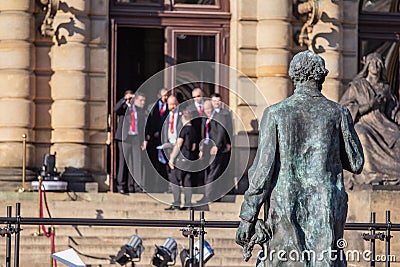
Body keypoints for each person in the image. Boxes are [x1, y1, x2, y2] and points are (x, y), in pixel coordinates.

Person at [236, 50, 364, 266]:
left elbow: (262, 173)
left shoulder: (276, 113)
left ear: (294, 76)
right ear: (322, 77)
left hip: (285, 208)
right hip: (326, 208)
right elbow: (356, 162)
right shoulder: (338, 113)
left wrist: (248, 216)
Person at [340, 52, 400, 186]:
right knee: (361, 135)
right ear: (367, 66)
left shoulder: (385, 88)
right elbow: (345, 109)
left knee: (397, 135)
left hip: (383, 123)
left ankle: (393, 172)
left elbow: (394, 109)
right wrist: (369, 106)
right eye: (373, 63)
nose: (376, 66)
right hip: (364, 122)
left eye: (379, 63)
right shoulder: (357, 86)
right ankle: (371, 173)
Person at [114, 91, 147, 193]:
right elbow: (115, 109)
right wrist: (125, 99)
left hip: (136, 137)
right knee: (123, 163)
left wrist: (144, 140)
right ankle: (121, 186)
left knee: (137, 163)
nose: (142, 103)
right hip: (125, 138)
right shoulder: (124, 108)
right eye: (140, 100)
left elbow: (142, 126)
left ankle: (138, 186)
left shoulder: (140, 110)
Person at [166, 109, 196, 210]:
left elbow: (179, 144)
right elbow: (194, 147)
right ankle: (188, 204)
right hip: (189, 159)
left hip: (181, 159)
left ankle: (177, 203)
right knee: (187, 181)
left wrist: (172, 158)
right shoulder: (193, 130)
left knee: (175, 180)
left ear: (183, 117)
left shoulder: (184, 130)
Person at [197, 100, 227, 203]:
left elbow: (221, 132)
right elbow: (203, 134)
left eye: (209, 109)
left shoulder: (219, 117)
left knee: (213, 172)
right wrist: (201, 148)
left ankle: (208, 196)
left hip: (215, 148)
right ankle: (215, 195)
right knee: (208, 171)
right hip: (206, 148)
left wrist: (217, 145)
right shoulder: (205, 118)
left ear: (212, 108)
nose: (207, 111)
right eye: (205, 110)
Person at [145, 88, 169, 191]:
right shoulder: (151, 107)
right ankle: (151, 186)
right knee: (153, 163)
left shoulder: (170, 107)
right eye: (164, 95)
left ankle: (164, 186)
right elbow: (148, 123)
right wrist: (151, 133)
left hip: (165, 139)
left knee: (165, 163)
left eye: (167, 95)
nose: (166, 97)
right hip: (153, 140)